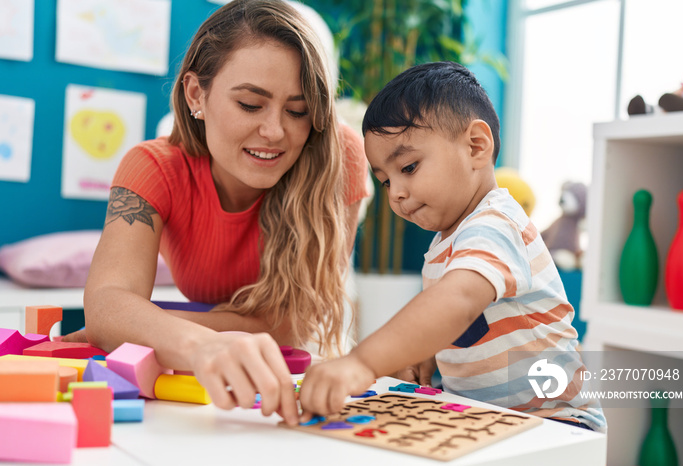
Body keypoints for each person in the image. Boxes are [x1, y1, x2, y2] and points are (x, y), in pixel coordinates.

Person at [64, 0, 370, 425]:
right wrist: (202, 344)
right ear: (196, 94)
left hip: (301, 384)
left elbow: (292, 326)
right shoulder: (152, 167)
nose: (275, 131)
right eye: (250, 104)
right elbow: (106, 304)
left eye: (298, 111)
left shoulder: (340, 155)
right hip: (207, 387)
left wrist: (147, 321)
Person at [299, 61, 606, 432]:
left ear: (476, 146)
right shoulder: (450, 239)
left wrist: (362, 362)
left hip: (559, 424)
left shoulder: (496, 223)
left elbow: (458, 302)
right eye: (384, 181)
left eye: (408, 167)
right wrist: (428, 350)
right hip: (494, 422)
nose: (396, 192)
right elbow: (470, 318)